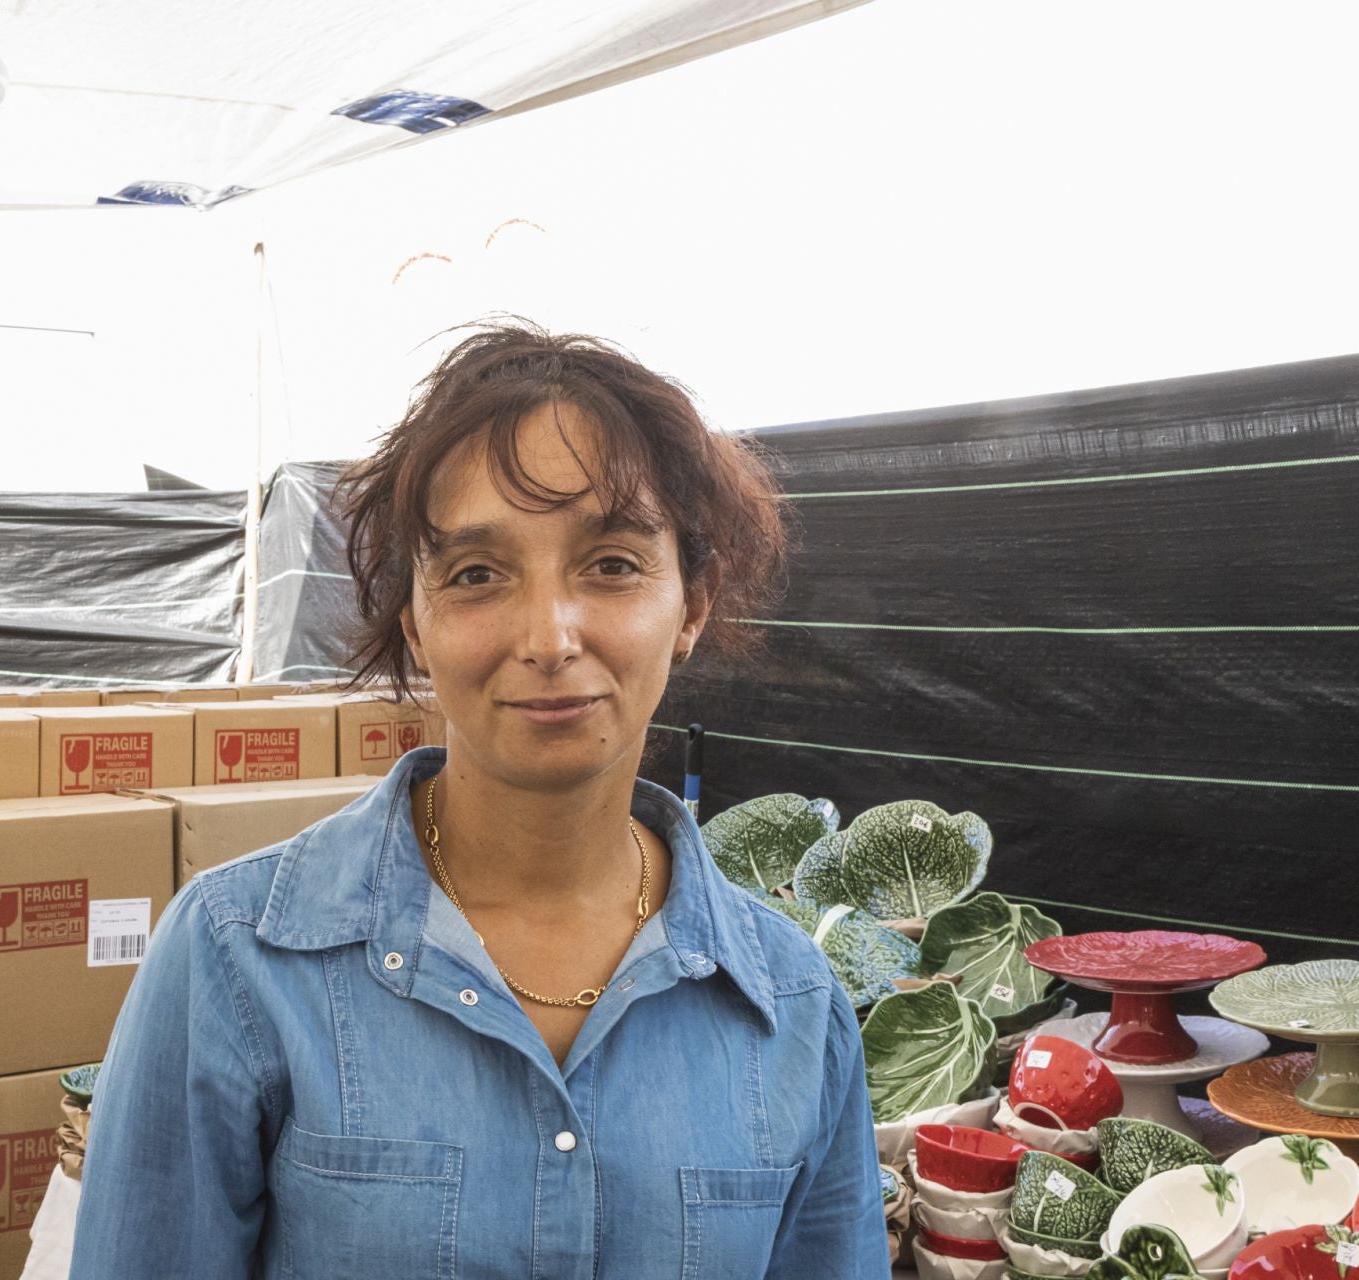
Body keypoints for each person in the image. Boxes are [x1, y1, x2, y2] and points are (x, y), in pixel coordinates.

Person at [68, 322, 889, 1278]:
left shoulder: (792, 1005)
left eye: (613, 564)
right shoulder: (236, 960)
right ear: (415, 621)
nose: (549, 635)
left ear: (692, 606)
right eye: (477, 575)